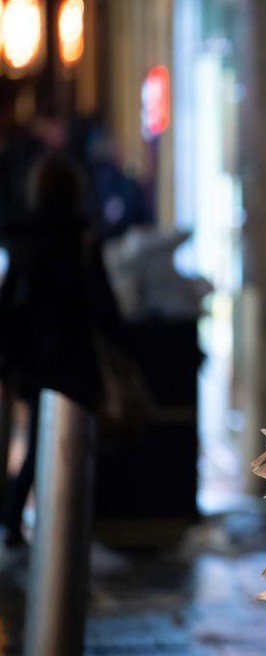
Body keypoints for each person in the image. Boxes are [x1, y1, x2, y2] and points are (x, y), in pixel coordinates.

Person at [0, 152, 122, 546]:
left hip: (36, 362)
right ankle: (74, 523)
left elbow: (9, 302)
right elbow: (103, 306)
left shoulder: (23, 239)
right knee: (82, 442)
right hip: (75, 358)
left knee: (39, 442)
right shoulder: (83, 239)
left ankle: (16, 521)